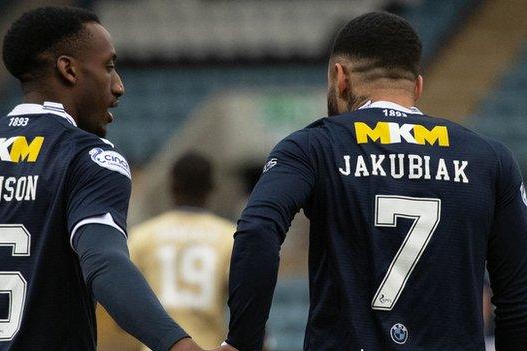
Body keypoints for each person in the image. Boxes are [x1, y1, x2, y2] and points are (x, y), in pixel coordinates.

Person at [0, 7, 205, 351]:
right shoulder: (87, 157)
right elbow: (104, 264)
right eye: (108, 67)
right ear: (68, 69)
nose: (119, 85)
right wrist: (178, 344)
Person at [220, 12, 527, 351]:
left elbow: (257, 230)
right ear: (418, 86)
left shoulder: (313, 147)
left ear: (340, 77)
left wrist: (242, 343)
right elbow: (517, 296)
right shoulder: (490, 158)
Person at [130, 152, 235, 350]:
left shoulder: (142, 236)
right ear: (211, 188)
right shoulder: (230, 237)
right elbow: (245, 303)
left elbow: (125, 298)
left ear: (172, 186)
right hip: (206, 345)